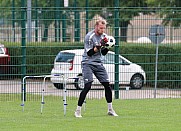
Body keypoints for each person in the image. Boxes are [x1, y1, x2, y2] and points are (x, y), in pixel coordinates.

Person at [74, 18, 118, 118]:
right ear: (96, 27)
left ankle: (110, 109)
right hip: (87, 63)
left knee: (107, 85)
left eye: (104, 28)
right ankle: (78, 111)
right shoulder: (89, 37)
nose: (102, 30)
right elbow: (89, 53)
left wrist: (107, 47)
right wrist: (99, 46)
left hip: (98, 63)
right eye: (101, 28)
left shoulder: (105, 37)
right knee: (88, 85)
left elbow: (103, 53)